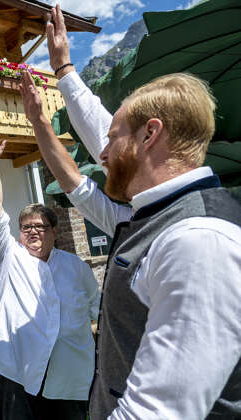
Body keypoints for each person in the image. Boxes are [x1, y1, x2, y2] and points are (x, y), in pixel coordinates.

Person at [17, 5, 241, 419]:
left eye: (113, 138)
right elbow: (78, 185)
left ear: (150, 135)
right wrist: (62, 74)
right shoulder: (151, 219)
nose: (102, 153)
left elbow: (157, 411)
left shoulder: (198, 240)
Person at [0, 134, 99, 420]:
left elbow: (98, 309)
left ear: (55, 232)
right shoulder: (8, 256)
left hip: (68, 373)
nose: (32, 231)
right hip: (16, 369)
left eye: (40, 226)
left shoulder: (76, 267)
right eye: (26, 227)